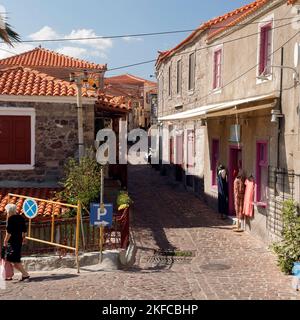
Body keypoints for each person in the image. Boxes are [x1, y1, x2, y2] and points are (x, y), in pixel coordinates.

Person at [3, 204, 30, 281]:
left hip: (11, 242)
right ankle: (9, 275)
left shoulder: (10, 219)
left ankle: (25, 274)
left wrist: (5, 241)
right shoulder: (21, 218)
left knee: (14, 260)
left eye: (6, 210)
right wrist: (24, 238)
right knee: (11, 259)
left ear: (9, 211)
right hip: (18, 241)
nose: (6, 212)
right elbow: (24, 230)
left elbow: (9, 233)